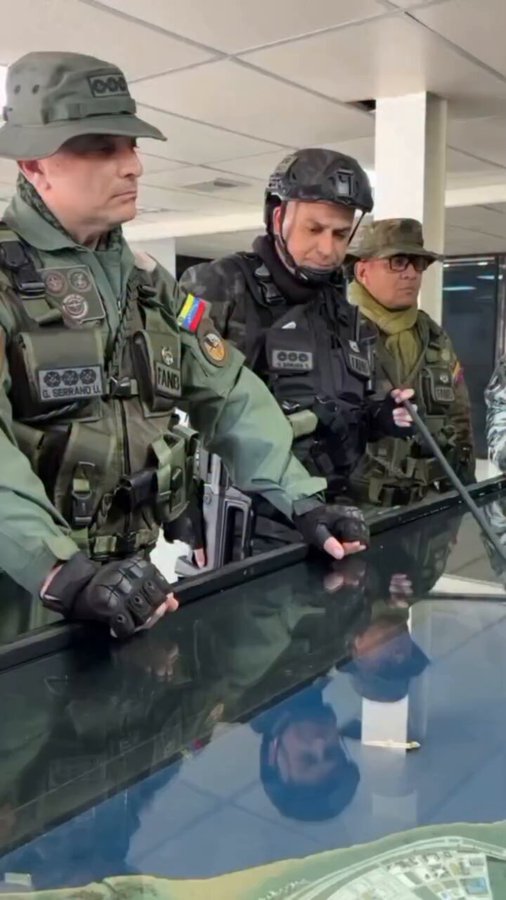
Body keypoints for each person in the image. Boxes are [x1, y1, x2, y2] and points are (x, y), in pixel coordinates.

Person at [0, 52, 372, 640]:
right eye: (102, 147)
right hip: (26, 594)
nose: (134, 166)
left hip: (130, 583)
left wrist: (302, 500)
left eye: (131, 144)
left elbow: (228, 391)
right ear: (33, 163)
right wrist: (58, 573)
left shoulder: (146, 281)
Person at [180, 149, 413, 551]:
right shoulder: (217, 287)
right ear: (278, 218)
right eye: (314, 229)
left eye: (340, 235)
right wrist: (186, 518)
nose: (327, 249)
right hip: (244, 529)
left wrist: (383, 413)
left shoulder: (348, 316)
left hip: (335, 521)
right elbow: (168, 411)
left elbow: (360, 404)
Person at [347, 218, 475, 507]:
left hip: (429, 513)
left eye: (418, 264)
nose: (411, 274)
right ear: (363, 270)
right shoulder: (336, 331)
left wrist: (467, 496)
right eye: (398, 261)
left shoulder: (434, 336)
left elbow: (459, 421)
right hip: (357, 513)